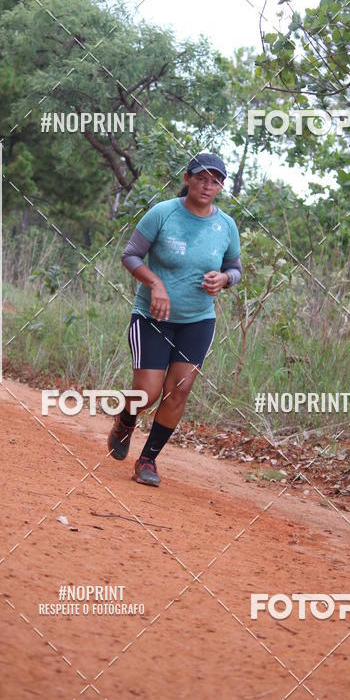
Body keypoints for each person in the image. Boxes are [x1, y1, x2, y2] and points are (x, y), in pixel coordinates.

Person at [108, 152, 242, 487]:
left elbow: (236, 268)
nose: (206, 186)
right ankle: (126, 420)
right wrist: (155, 284)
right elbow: (131, 254)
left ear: (221, 186)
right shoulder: (163, 213)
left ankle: (147, 460)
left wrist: (225, 279)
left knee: (179, 390)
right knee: (148, 392)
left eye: (215, 181)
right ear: (187, 178)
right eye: (200, 178)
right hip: (152, 317)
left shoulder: (225, 225)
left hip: (198, 320)